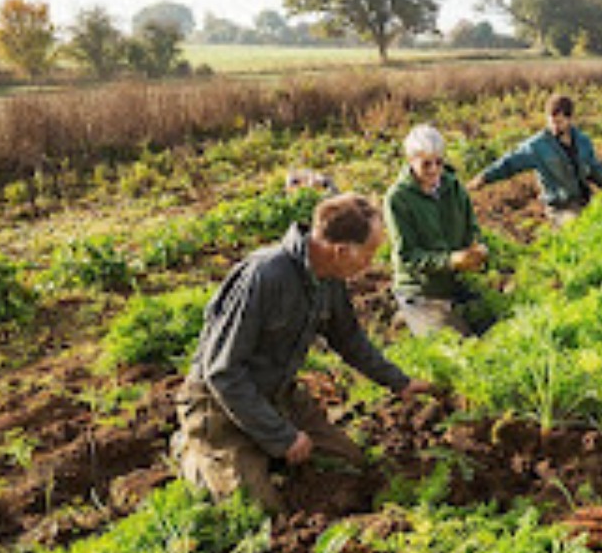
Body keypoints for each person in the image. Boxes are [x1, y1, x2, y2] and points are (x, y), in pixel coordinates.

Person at [173, 193, 433, 512]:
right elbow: (222, 372)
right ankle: (194, 454)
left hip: (276, 395)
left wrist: (400, 382)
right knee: (259, 511)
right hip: (219, 405)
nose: (371, 263)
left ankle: (263, 453)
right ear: (340, 251)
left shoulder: (329, 279)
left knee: (350, 463)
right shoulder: (265, 276)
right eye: (369, 253)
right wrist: (282, 437)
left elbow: (349, 339)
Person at [384, 124, 490, 337]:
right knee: (458, 343)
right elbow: (408, 256)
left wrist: (477, 248)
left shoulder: (454, 187)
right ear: (410, 161)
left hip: (453, 284)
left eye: (438, 162)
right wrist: (449, 261)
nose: (434, 170)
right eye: (426, 164)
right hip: (420, 289)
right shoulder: (398, 199)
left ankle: (423, 318)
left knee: (492, 325)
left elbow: (472, 228)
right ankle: (408, 315)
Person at [467, 94, 602, 228]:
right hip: (559, 208)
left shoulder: (583, 141)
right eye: (551, 122)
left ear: (570, 119)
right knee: (575, 225)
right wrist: (484, 177)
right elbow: (510, 163)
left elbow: (593, 167)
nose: (554, 127)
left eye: (559, 122)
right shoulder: (537, 146)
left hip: (583, 201)